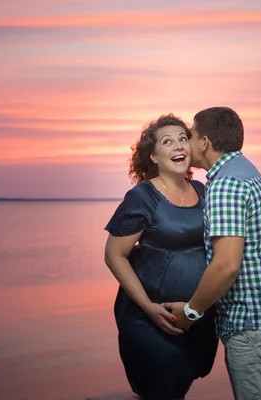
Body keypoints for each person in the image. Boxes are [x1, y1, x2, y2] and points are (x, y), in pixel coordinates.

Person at [163, 107, 261, 400]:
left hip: (252, 324)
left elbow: (226, 266)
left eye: (190, 136)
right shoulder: (245, 172)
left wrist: (190, 313)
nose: (186, 144)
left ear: (205, 142)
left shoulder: (226, 184)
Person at [104, 114, 218, 400]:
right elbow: (114, 255)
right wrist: (149, 308)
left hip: (194, 316)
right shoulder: (142, 197)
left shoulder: (205, 193)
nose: (178, 146)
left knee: (178, 385)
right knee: (159, 386)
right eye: (167, 142)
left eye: (183, 138)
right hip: (148, 317)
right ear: (154, 156)